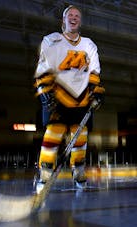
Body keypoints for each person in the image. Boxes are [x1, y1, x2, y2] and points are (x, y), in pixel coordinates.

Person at [33, 5, 104, 192]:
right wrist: (44, 90)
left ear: (80, 21)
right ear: (63, 20)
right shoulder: (51, 40)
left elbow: (95, 70)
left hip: (81, 99)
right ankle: (44, 176)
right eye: (70, 15)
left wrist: (96, 91)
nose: (73, 18)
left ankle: (79, 172)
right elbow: (44, 66)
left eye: (77, 16)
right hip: (58, 96)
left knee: (80, 140)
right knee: (52, 136)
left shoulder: (89, 44)